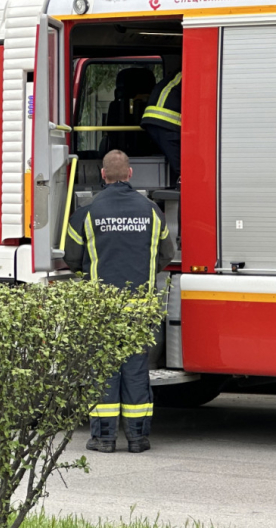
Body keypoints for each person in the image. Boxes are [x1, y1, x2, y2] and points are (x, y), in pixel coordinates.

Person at [63, 150, 176, 454]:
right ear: (129, 174)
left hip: (102, 307)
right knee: (136, 370)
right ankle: (138, 438)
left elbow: (71, 258)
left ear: (103, 175)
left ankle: (104, 438)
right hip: (140, 306)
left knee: (104, 370)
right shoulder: (152, 211)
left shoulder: (87, 213)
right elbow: (166, 253)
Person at [140, 64, 182, 186]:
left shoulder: (178, 74)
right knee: (184, 169)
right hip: (165, 122)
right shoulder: (189, 73)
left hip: (156, 120)